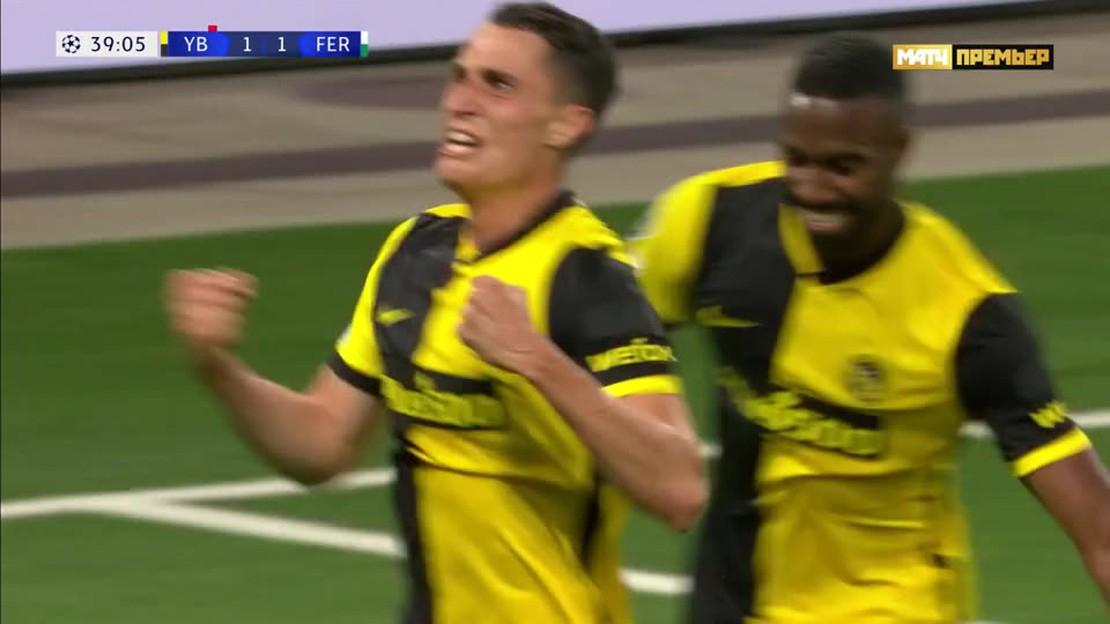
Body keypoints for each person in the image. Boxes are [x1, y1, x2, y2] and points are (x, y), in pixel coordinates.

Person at [162, 4, 707, 623]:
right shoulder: (416, 250)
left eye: (498, 85)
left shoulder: (586, 275)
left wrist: (536, 361)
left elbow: (679, 489)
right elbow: (320, 443)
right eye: (459, 77)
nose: (459, 102)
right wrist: (219, 368)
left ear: (566, 124)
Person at [630, 33, 1110, 623]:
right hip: (734, 596)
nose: (813, 189)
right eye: (797, 159)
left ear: (899, 149)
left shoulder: (967, 315)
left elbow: (1098, 527)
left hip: (891, 602)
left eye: (843, 167)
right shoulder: (710, 220)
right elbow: (597, 336)